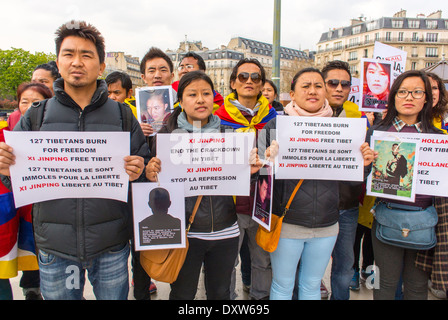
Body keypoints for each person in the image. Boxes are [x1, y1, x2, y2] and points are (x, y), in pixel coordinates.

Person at [0, 21, 149, 300]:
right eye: (69, 54)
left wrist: (138, 171)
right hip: (54, 248)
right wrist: (4, 167)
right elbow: (12, 176)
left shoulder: (123, 115)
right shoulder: (36, 115)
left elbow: (144, 169)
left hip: (112, 244)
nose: (77, 62)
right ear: (58, 61)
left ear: (101, 65)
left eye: (86, 55)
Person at [260, 68, 374, 300]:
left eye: (318, 86)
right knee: (282, 285)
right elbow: (258, 178)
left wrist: (365, 164)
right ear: (292, 94)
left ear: (325, 91)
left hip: (327, 224)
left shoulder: (344, 129)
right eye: (305, 86)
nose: (312, 91)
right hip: (287, 224)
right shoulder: (272, 127)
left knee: (311, 286)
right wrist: (265, 161)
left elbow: (353, 177)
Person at [145, 71, 261, 299]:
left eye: (206, 93)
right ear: (180, 100)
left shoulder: (231, 136)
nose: (200, 99)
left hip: (225, 230)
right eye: (192, 94)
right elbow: (155, 189)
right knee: (182, 293)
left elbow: (242, 182)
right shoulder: (164, 138)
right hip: (186, 233)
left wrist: (252, 172)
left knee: (220, 293)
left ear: (214, 98)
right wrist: (150, 174)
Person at [365, 70, 442, 300]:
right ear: (394, 97)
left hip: (424, 223)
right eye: (403, 92)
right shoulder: (377, 133)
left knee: (418, 288)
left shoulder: (439, 137)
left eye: (417, 92)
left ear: (426, 98)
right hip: (385, 219)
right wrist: (365, 165)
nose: (409, 97)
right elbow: (361, 178)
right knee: (384, 286)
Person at [215, 58, 277, 300]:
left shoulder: (276, 118)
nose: (249, 81)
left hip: (264, 200)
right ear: (233, 83)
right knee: (228, 262)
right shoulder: (216, 120)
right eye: (243, 77)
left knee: (263, 260)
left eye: (255, 78)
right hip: (230, 203)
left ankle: (260, 299)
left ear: (262, 85)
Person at [0, 82, 52, 300]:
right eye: (25, 101)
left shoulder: (56, 135)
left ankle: (33, 288)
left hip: (38, 209)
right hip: (6, 207)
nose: (30, 107)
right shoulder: (3, 133)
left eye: (37, 102)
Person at [415, 72, 448, 300]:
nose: (430, 93)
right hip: (420, 202)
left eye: (434, 88)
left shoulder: (444, 123)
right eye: (424, 88)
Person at [139, 47, 174, 137]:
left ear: (172, 76)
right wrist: (136, 132)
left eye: (163, 70)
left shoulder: (183, 105)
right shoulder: (133, 110)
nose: (157, 75)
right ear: (144, 77)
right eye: (151, 71)